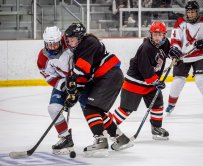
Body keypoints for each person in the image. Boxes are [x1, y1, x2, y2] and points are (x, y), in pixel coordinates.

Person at [64, 23, 132, 157]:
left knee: (90, 109)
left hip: (109, 75)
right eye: (68, 39)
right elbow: (84, 76)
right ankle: (120, 138)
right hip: (107, 77)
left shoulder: (90, 41)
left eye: (72, 39)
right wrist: (74, 93)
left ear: (80, 37)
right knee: (97, 111)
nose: (70, 42)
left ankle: (100, 141)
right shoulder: (79, 51)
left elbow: (82, 68)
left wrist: (72, 79)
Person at [112, 21, 172, 140]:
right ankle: (108, 127)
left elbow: (168, 52)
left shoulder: (165, 44)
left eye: (160, 34)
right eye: (155, 34)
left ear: (164, 35)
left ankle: (156, 128)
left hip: (150, 83)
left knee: (157, 104)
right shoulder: (146, 48)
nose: (157, 37)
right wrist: (155, 81)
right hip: (135, 82)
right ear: (150, 34)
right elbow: (145, 69)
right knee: (126, 109)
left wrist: (174, 54)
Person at [37, 26, 90, 155]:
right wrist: (66, 87)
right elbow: (49, 77)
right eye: (49, 44)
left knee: (90, 108)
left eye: (55, 43)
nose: (53, 47)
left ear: (60, 39)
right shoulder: (43, 57)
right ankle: (65, 138)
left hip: (83, 80)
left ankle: (106, 133)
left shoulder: (69, 42)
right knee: (53, 108)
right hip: (64, 83)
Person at [165, 0, 203, 118]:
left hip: (200, 55)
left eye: (193, 12)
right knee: (178, 81)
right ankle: (171, 104)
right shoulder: (180, 22)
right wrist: (175, 49)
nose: (190, 14)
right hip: (183, 56)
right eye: (188, 12)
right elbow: (175, 40)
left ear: (197, 12)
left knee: (201, 79)